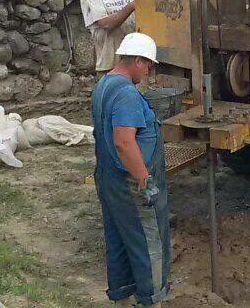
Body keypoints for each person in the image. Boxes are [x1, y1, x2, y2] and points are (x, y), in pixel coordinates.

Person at [91, 32, 170, 307]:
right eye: (148, 65)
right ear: (137, 60)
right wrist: (144, 179)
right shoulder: (126, 94)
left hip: (108, 180)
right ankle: (153, 302)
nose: (148, 72)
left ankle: (122, 301)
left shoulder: (104, 84)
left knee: (120, 242)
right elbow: (124, 142)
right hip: (130, 183)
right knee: (149, 246)